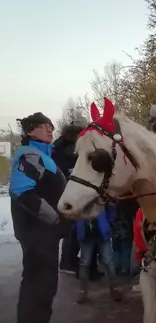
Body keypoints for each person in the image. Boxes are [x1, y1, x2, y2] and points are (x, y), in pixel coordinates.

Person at [9, 112, 67, 323]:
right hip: (37, 234)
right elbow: (22, 193)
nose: (50, 130)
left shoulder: (44, 154)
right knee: (39, 284)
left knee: (42, 283)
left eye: (51, 126)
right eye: (44, 127)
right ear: (30, 132)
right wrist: (54, 218)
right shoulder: (29, 155)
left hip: (44, 234)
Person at [52, 112, 88, 274]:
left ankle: (69, 259)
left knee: (72, 226)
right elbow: (66, 164)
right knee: (72, 226)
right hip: (68, 187)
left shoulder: (62, 141)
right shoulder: (71, 143)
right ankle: (68, 261)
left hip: (64, 186)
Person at [75, 205, 122, 304]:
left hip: (102, 233)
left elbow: (111, 208)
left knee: (108, 261)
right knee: (85, 263)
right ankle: (82, 291)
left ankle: (114, 288)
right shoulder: (79, 195)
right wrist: (76, 226)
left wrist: (108, 223)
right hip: (86, 234)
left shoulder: (99, 195)